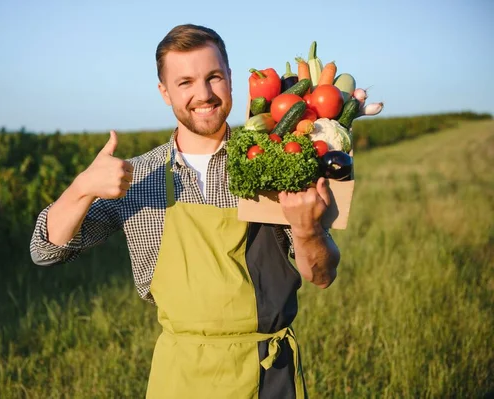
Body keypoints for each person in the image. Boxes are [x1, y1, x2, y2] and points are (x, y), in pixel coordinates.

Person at [30, 23, 340, 399]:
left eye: (213, 77)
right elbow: (45, 251)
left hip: (267, 375)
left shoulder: (271, 161)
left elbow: (322, 275)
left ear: (229, 79)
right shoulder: (138, 177)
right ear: (164, 92)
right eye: (185, 82)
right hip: (180, 378)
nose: (203, 94)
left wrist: (308, 231)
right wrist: (82, 189)